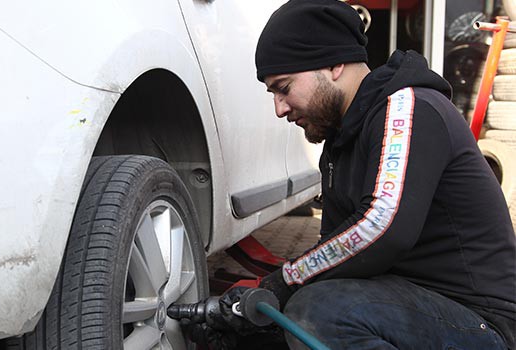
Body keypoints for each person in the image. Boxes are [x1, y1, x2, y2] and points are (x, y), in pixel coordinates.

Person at [215, 0, 516, 348]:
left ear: (333, 64)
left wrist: (283, 281)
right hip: (411, 305)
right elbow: (335, 252)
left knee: (319, 312)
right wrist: (255, 323)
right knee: (291, 318)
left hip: (481, 322)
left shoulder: (410, 109)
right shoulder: (339, 142)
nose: (279, 109)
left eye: (284, 88)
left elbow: (383, 226)